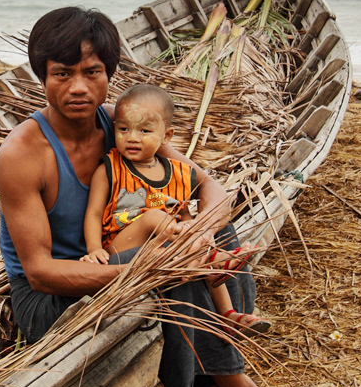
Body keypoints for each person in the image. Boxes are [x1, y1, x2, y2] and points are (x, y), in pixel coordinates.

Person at [0, 6, 327, 387]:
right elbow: (39, 273)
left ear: (109, 73)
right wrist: (156, 267)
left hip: (118, 257)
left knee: (220, 237)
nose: (78, 87)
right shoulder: (22, 153)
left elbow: (209, 187)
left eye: (92, 72)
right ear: (42, 76)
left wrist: (201, 233)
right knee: (179, 258)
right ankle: (235, 385)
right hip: (51, 299)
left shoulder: (122, 122)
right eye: (61, 74)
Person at [82, 82, 270, 332]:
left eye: (145, 130)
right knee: (156, 218)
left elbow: (184, 211)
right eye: (123, 129)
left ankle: (229, 314)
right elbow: (93, 214)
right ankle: (214, 262)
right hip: (121, 245)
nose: (132, 138)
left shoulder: (176, 173)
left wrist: (191, 223)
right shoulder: (109, 169)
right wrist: (94, 249)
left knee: (200, 235)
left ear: (166, 136)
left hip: (167, 243)